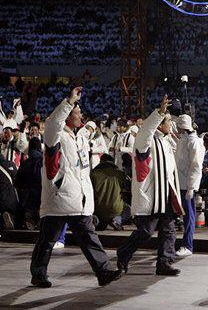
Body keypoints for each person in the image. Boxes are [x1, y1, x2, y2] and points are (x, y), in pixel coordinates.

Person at [30, 87, 122, 288]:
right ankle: (38, 274)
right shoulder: (56, 135)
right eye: (77, 112)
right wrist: (69, 101)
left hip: (76, 200)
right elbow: (53, 122)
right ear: (68, 115)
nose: (81, 115)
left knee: (89, 238)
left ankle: (104, 271)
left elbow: (88, 133)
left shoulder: (78, 137)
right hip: (59, 198)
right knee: (46, 242)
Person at [117, 95, 184, 276]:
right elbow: (146, 130)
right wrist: (159, 112)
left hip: (166, 194)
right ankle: (123, 253)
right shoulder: (145, 140)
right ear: (159, 123)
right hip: (153, 196)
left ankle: (165, 263)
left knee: (169, 230)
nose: (171, 124)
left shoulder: (167, 140)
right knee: (146, 232)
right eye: (168, 120)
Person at [175, 114, 206, 257]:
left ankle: (188, 245)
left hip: (187, 184)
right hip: (180, 182)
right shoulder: (184, 139)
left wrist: (192, 187)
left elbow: (196, 166)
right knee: (185, 215)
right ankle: (185, 244)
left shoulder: (194, 142)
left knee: (189, 215)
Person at [91, 154, 128, 231]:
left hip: (98, 208)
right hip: (116, 209)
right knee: (128, 209)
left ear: (101, 161)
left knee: (97, 214)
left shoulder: (93, 174)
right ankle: (117, 220)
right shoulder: (120, 174)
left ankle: (96, 221)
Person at [15, 137, 43, 230]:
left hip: (28, 193)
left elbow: (19, 180)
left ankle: (29, 217)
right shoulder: (43, 162)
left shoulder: (25, 163)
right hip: (42, 191)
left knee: (29, 207)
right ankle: (40, 219)